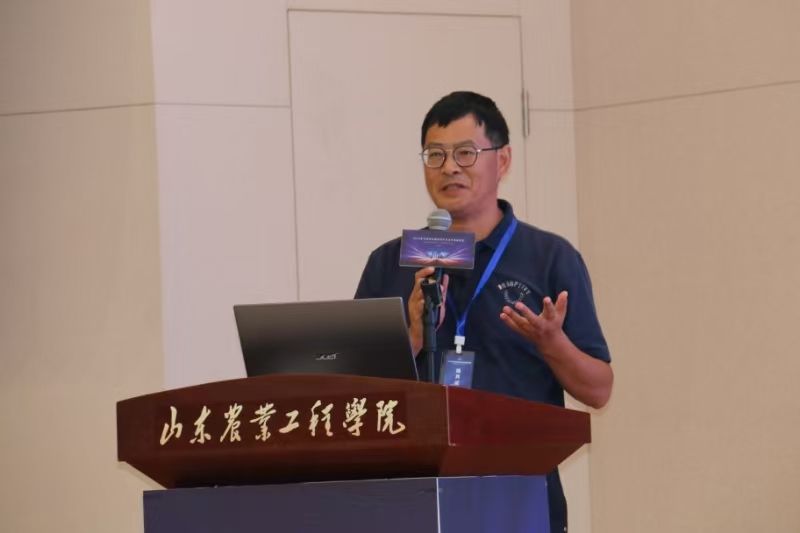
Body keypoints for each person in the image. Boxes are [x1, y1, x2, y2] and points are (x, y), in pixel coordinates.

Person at [354, 91, 613, 532]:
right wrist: (411, 335)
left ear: (503, 160)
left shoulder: (548, 258)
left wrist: (552, 343)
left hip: (518, 502)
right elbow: (352, 394)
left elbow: (599, 389)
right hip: (410, 501)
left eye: (465, 153)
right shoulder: (389, 263)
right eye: (435, 155)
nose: (449, 168)